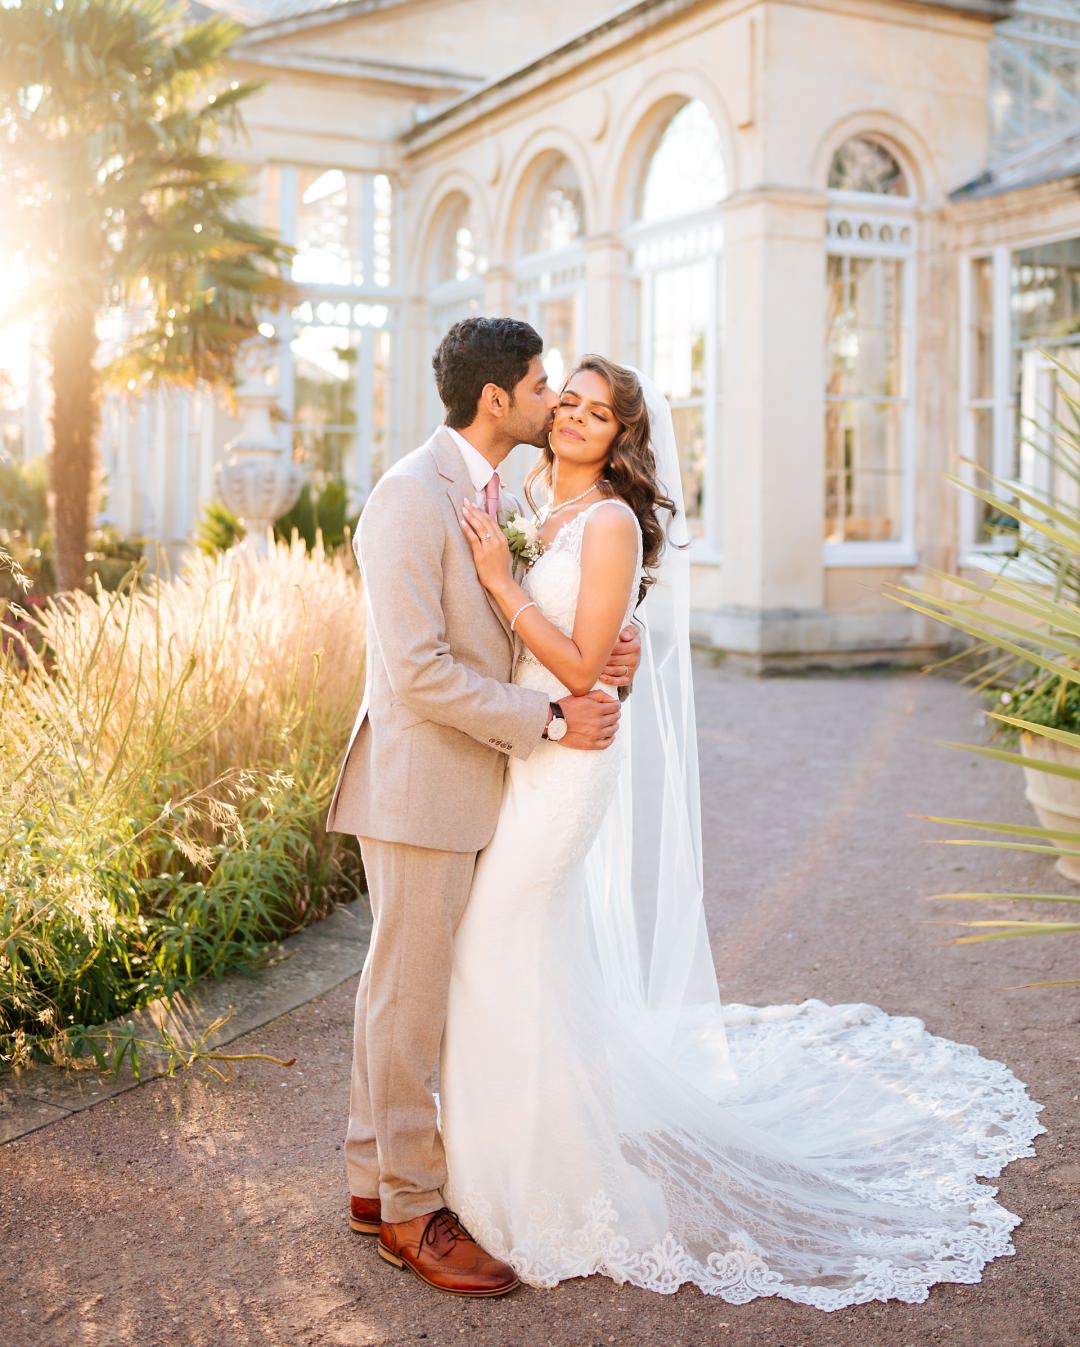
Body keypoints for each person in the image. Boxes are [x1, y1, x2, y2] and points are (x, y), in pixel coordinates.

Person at [442, 353, 1046, 1309]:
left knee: (494, 937)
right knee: (527, 946)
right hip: (521, 745)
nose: (574, 420)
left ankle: (535, 1175)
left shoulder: (607, 525)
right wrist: (508, 580)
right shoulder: (526, 498)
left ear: (620, 441)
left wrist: (500, 581)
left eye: (599, 416)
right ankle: (499, 1138)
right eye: (569, 403)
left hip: (567, 761)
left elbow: (585, 660)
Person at [325, 318, 642, 1298]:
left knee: (411, 986)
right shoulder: (410, 496)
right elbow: (417, 674)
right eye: (545, 384)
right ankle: (415, 1211)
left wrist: (607, 651)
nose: (557, 402)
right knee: (407, 994)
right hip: (422, 781)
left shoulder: (495, 491)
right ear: (498, 398)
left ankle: (375, 1179)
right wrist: (550, 714)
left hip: (475, 780)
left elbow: (512, 621)